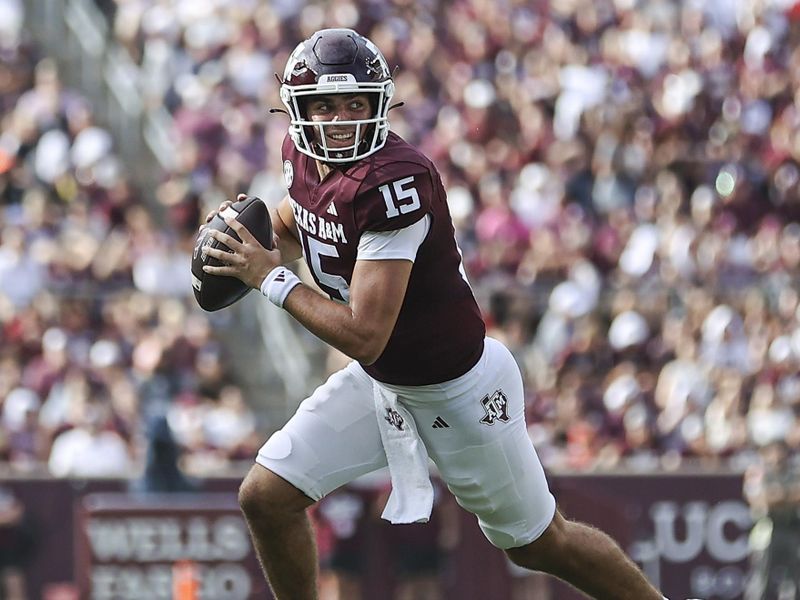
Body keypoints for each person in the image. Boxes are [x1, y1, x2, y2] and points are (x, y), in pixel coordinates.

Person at [201, 28, 667, 600]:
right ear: (299, 111)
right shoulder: (302, 156)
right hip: (385, 387)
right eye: (325, 105)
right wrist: (250, 242)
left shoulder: (396, 182)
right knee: (265, 497)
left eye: (356, 104)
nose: (342, 119)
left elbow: (367, 335)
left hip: (456, 391)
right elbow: (302, 223)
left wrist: (269, 278)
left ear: (380, 104)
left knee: (539, 543)